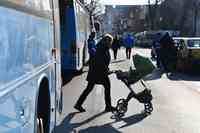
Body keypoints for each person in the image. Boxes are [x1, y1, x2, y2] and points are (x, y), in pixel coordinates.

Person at [74, 34, 116, 112]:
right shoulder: (102, 49)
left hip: (95, 72)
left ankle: (78, 104)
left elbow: (102, 62)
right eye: (110, 42)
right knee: (106, 86)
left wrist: (107, 69)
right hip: (99, 73)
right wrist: (107, 71)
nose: (111, 44)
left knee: (89, 89)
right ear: (107, 42)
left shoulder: (102, 47)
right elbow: (101, 62)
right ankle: (108, 106)